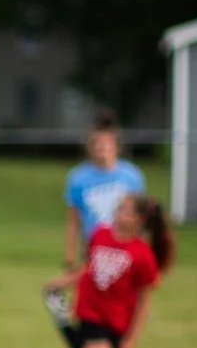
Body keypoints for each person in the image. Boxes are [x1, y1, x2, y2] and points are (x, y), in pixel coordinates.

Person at [44, 192, 172, 348]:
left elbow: (145, 300)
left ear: (139, 219)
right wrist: (65, 281)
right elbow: (88, 268)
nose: (118, 213)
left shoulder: (142, 254)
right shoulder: (100, 234)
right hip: (91, 312)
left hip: (119, 321)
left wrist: (132, 339)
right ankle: (63, 319)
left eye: (126, 210)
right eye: (119, 208)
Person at [60, 113, 144, 275]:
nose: (101, 147)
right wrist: (70, 258)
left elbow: (139, 219)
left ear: (116, 146)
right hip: (94, 248)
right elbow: (73, 222)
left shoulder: (132, 176)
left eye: (106, 142)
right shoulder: (78, 178)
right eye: (96, 143)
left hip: (125, 249)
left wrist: (139, 251)